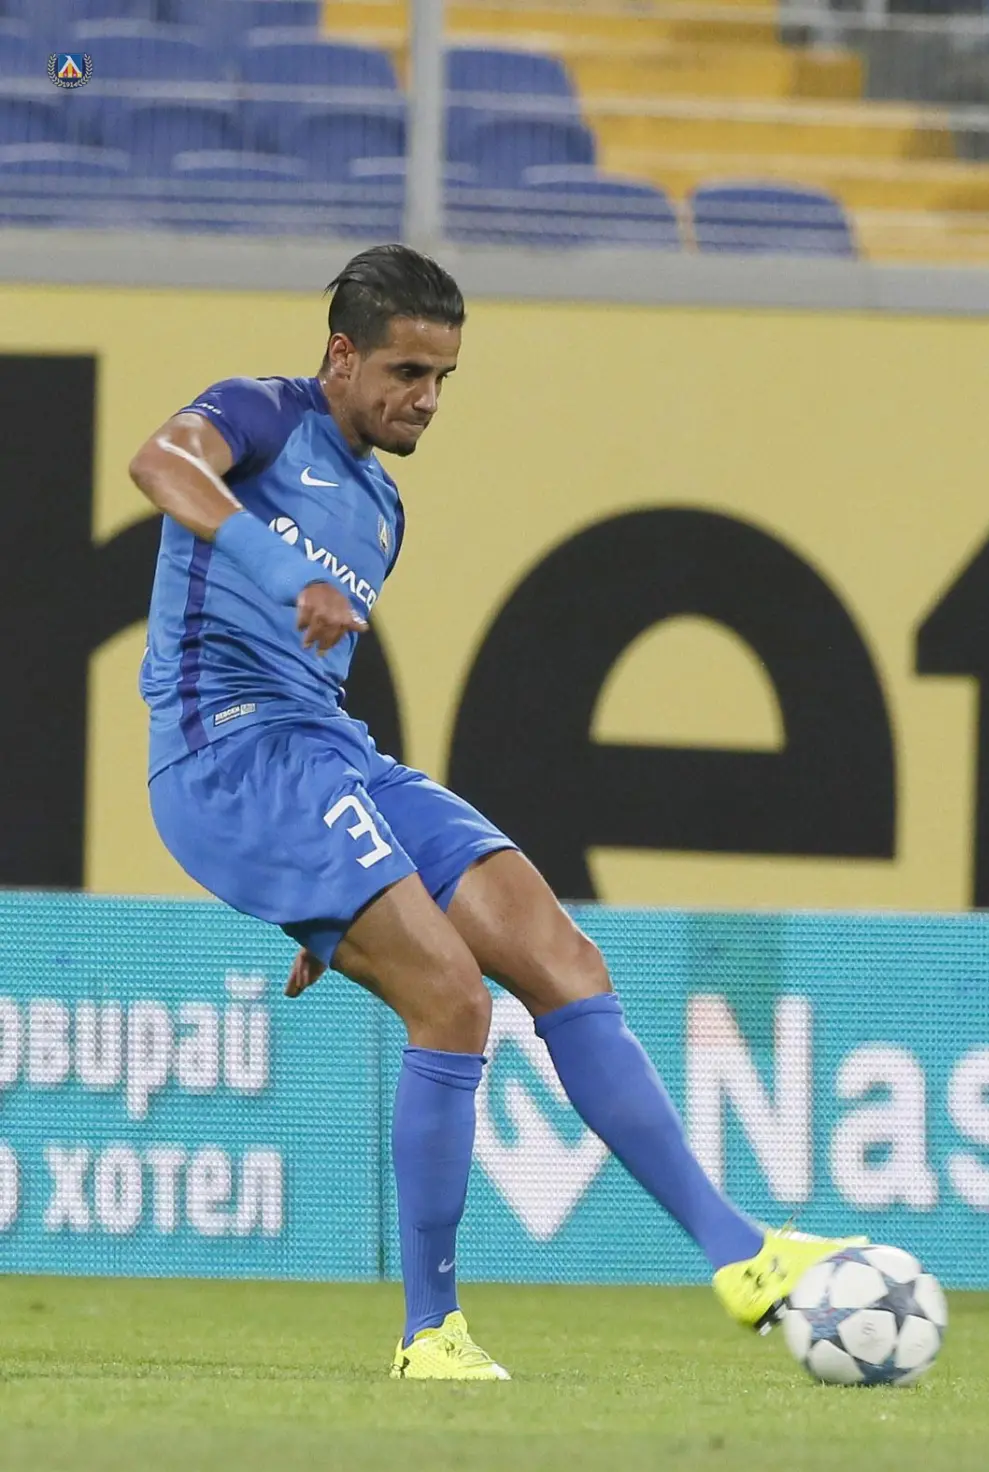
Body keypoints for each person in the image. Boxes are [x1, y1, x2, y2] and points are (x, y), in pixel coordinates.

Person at [130, 245, 856, 1380]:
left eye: (443, 379)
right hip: (226, 755)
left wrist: (335, 886)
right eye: (406, 373)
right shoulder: (259, 415)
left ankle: (741, 1254)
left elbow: (314, 683)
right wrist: (282, 575)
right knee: (454, 1002)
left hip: (326, 759)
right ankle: (431, 1334)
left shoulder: (382, 506)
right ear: (341, 356)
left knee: (563, 959)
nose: (427, 399)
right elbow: (159, 463)